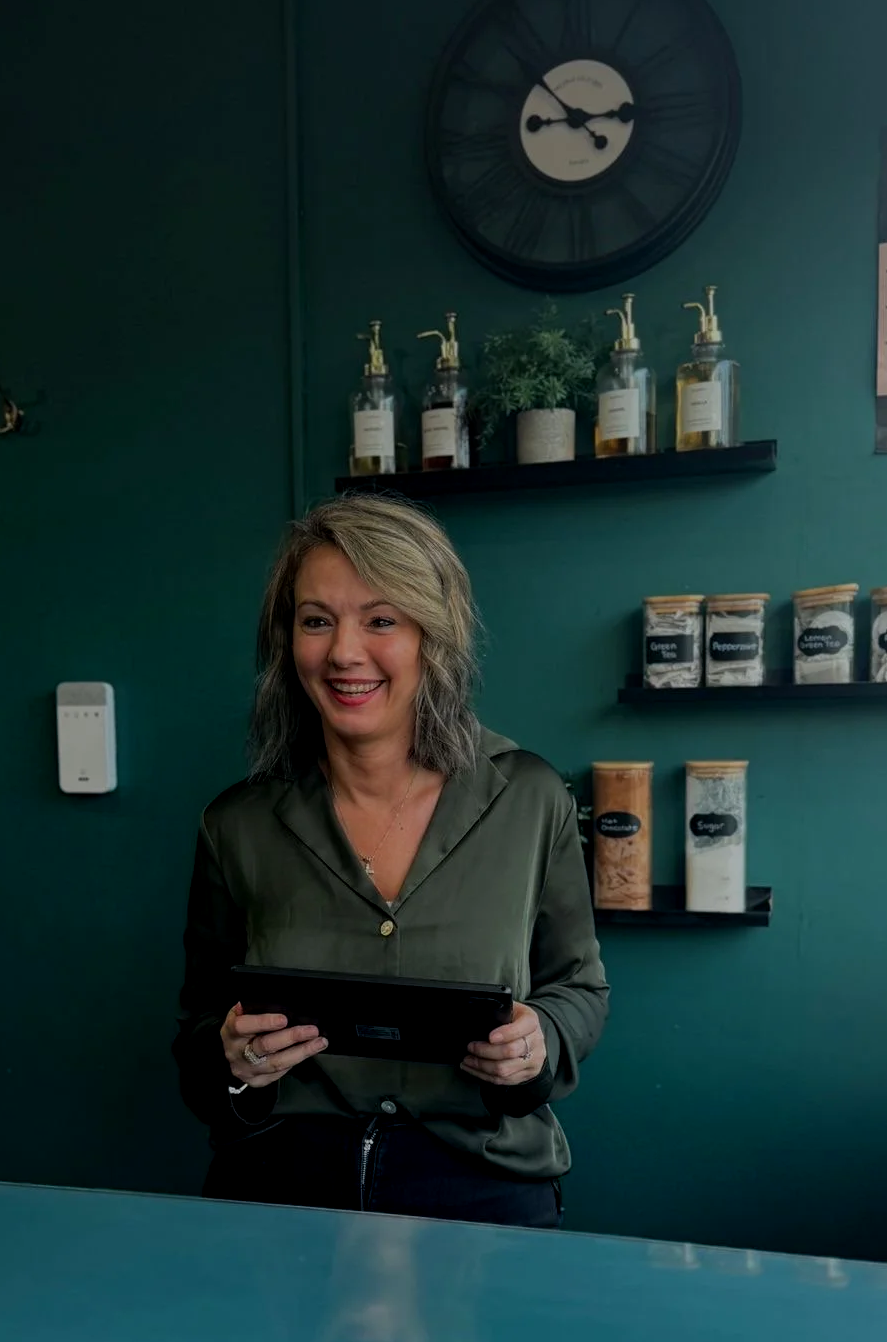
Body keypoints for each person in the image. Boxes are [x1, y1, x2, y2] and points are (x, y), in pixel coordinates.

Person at [174, 492, 608, 1227]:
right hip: (279, 1190)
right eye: (317, 621)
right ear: (289, 643)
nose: (344, 652)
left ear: (431, 637)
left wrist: (539, 1040)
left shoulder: (530, 797)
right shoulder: (236, 824)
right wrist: (231, 1061)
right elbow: (198, 1031)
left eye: (381, 620)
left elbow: (578, 987)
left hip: (481, 1182)